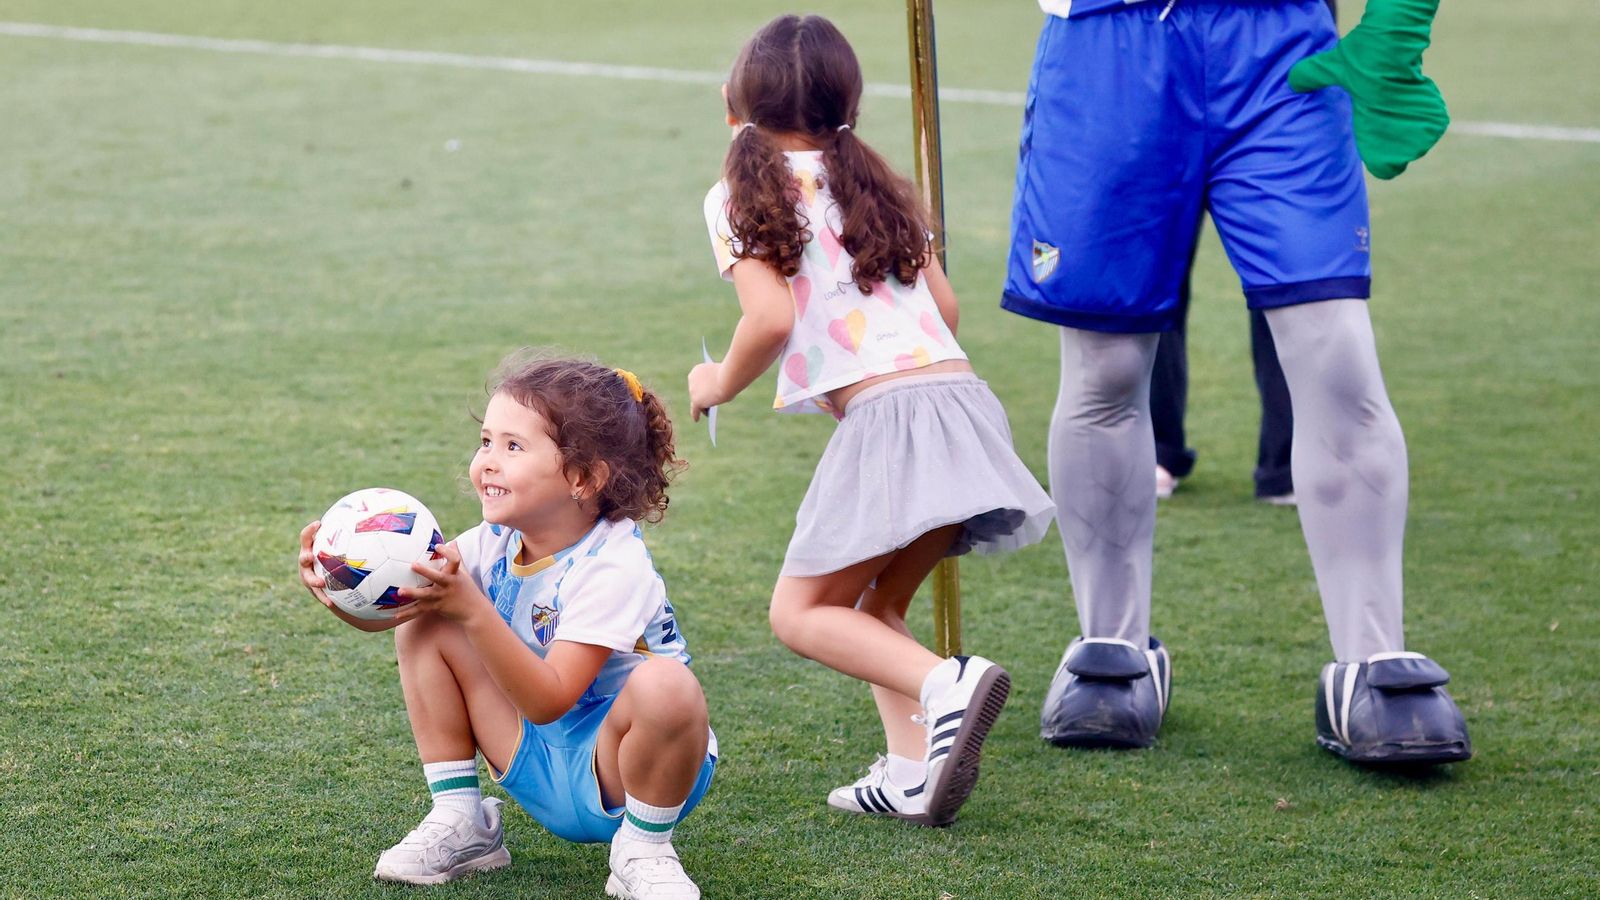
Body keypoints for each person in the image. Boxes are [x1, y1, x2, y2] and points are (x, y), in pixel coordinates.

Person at [1003, 0, 1471, 763]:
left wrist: (1398, 29)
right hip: (1104, 39)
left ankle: (1371, 659)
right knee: (1106, 364)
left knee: (1335, 350)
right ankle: (1112, 646)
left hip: (1277, 43)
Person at [688, 14, 1054, 825]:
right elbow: (946, 307)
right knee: (873, 609)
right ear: (850, 101)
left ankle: (945, 683)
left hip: (891, 421)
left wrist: (715, 382)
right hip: (963, 404)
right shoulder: (880, 180)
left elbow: (770, 321)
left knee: (799, 613)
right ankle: (909, 769)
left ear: (732, 105)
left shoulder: (736, 195)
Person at [297, 355, 715, 899]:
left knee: (669, 685)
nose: (488, 461)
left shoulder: (615, 564)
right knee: (427, 616)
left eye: (513, 447)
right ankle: (461, 819)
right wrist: (339, 588)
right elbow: (394, 615)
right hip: (534, 756)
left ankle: (644, 848)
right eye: (487, 441)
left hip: (622, 770)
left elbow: (551, 699)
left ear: (583, 477)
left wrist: (470, 607)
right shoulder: (492, 541)